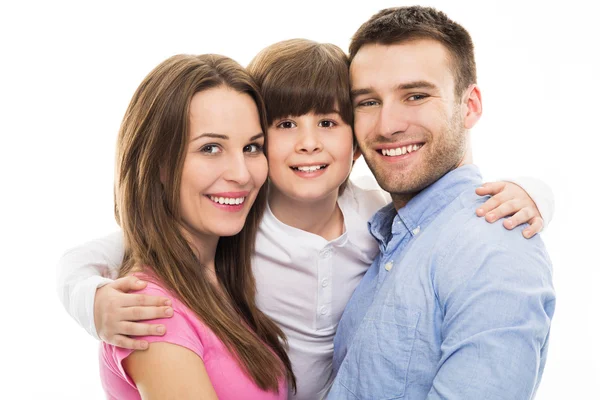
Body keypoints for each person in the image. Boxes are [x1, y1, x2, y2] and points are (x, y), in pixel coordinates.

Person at [57, 40, 553, 399]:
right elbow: (118, 245)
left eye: (329, 123)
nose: (309, 142)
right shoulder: (240, 214)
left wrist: (536, 194)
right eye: (285, 125)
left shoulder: (376, 215)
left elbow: (440, 205)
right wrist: (90, 298)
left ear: (357, 144)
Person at [328, 6, 555, 399]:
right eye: (367, 102)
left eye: (415, 95)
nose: (387, 125)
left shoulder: (493, 251)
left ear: (469, 106)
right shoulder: (385, 229)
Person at [96, 53, 295, 399]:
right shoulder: (152, 313)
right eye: (211, 148)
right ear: (157, 163)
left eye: (251, 147)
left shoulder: (218, 279)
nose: (242, 173)